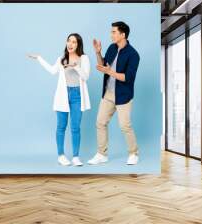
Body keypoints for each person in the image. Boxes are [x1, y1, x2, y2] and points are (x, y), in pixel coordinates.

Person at [28, 33, 91, 166]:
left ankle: (75, 157)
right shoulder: (62, 59)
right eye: (69, 41)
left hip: (77, 95)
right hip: (63, 95)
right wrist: (39, 58)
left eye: (74, 42)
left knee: (75, 127)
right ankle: (61, 155)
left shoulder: (84, 58)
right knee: (61, 126)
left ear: (78, 44)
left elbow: (86, 77)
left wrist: (76, 67)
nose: (70, 44)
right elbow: (52, 70)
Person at [88, 21, 140, 165]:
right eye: (111, 32)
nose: (111, 35)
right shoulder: (112, 48)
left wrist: (110, 71)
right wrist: (98, 52)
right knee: (100, 122)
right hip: (108, 94)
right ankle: (101, 154)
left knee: (125, 125)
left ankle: (133, 153)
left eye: (114, 32)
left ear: (123, 35)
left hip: (123, 96)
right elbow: (103, 64)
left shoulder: (133, 54)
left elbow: (128, 78)